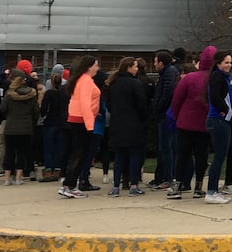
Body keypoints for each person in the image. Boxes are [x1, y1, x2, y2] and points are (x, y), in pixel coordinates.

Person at [169, 47, 213, 200]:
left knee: (182, 155)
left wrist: (178, 116)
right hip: (205, 124)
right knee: (201, 156)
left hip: (185, 122)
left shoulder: (189, 78)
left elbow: (177, 100)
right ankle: (199, 186)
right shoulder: (213, 79)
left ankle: (177, 185)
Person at [106, 56, 149, 196]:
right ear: (129, 67)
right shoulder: (135, 84)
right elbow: (141, 105)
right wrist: (143, 119)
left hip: (117, 123)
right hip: (133, 123)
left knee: (119, 155)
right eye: (135, 66)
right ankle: (134, 184)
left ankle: (116, 186)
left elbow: (109, 105)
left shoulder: (113, 83)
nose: (137, 69)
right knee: (134, 155)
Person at [61, 55, 101, 198]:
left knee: (78, 153)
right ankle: (70, 185)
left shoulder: (83, 80)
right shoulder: (85, 81)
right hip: (82, 121)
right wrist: (90, 124)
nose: (98, 68)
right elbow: (85, 103)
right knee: (80, 154)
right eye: (96, 65)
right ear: (89, 66)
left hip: (78, 119)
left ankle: (69, 184)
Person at [203, 49, 232, 204]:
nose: (229, 65)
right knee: (219, 157)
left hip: (220, 120)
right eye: (226, 62)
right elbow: (215, 97)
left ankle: (214, 190)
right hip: (218, 120)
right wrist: (224, 111)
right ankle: (211, 192)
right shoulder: (218, 77)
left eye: (230, 62)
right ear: (218, 63)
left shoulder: (223, 77)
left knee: (220, 156)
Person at [149, 47, 184, 190]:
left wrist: (157, 108)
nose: (154, 64)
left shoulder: (169, 74)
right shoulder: (168, 73)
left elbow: (167, 94)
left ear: (162, 63)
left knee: (166, 147)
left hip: (166, 116)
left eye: (156, 62)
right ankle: (169, 176)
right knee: (168, 147)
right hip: (166, 114)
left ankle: (168, 178)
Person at [0, 69, 40, 185]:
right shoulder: (31, 94)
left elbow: (2, 109)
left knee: (9, 152)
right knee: (22, 153)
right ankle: (19, 178)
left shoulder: (9, 94)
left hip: (11, 126)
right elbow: (36, 112)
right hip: (26, 127)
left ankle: (7, 178)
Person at [38, 66, 67, 181]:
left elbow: (44, 110)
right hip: (62, 122)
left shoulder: (49, 94)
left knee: (49, 147)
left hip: (50, 121)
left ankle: (49, 170)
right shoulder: (65, 93)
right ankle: (59, 170)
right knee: (60, 147)